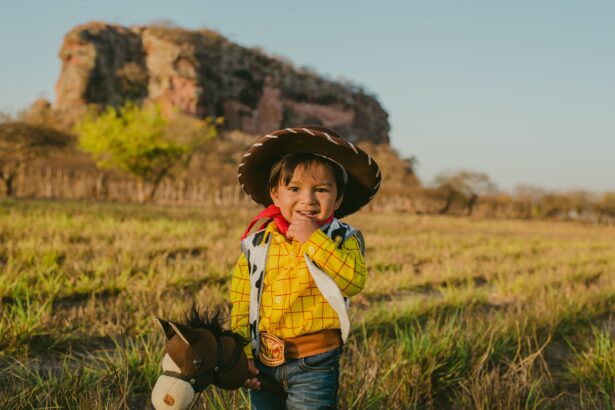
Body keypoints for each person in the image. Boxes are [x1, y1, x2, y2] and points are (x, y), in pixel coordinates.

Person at [230, 125, 381, 409]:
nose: (308, 200)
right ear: (275, 195)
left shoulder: (342, 239)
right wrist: (244, 352)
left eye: (321, 190)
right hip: (263, 360)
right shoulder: (257, 244)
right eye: (294, 189)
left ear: (337, 199)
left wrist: (314, 240)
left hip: (315, 363)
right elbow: (242, 301)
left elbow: (353, 281)